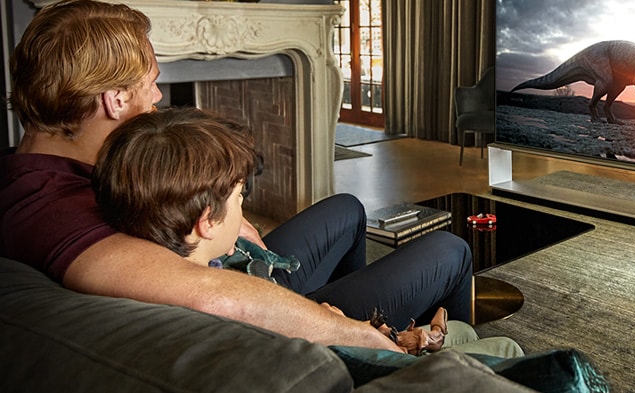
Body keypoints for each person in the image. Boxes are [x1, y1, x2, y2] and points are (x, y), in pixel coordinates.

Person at [0, 0, 479, 352]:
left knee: (348, 209)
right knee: (451, 249)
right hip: (250, 316)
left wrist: (228, 218)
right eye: (151, 85)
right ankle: (434, 364)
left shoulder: (45, 170)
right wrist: (351, 333)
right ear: (115, 99)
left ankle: (342, 305)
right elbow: (212, 296)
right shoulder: (51, 210)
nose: (158, 100)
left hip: (232, 269)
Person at [89, 106, 523, 358]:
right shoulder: (223, 315)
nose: (245, 209)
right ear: (204, 221)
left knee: (348, 208)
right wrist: (363, 334)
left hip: (255, 278)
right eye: (240, 197)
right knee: (453, 251)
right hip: (313, 330)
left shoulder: (146, 245)